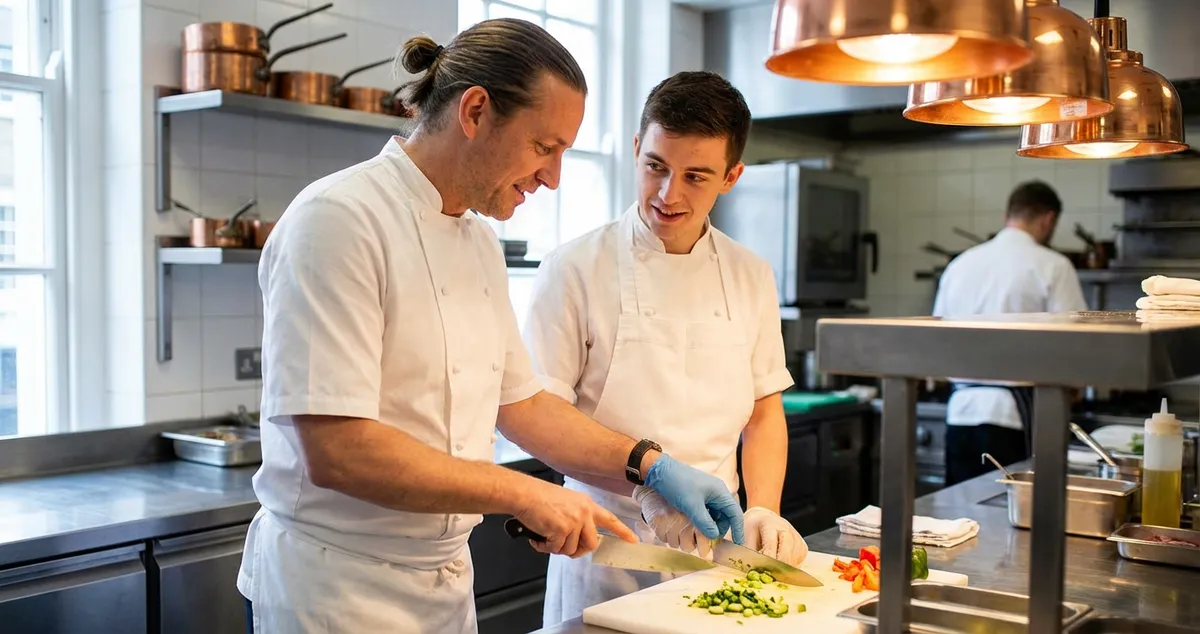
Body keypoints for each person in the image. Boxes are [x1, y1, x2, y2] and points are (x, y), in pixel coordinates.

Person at [236, 21, 746, 634]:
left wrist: (648, 464)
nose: (553, 176)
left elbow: (522, 404)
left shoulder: (478, 241)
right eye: (544, 146)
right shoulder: (338, 221)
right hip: (335, 589)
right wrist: (524, 493)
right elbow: (338, 451)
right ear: (475, 110)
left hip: (445, 584)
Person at [525, 71, 807, 626]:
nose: (668, 194)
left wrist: (764, 508)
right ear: (636, 148)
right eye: (655, 166)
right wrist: (647, 488)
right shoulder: (574, 268)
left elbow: (763, 411)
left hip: (718, 554)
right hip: (608, 549)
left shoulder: (750, 274)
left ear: (731, 177)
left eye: (695, 176)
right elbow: (541, 420)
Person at [932, 180, 1087, 485]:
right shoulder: (1054, 265)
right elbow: (1075, 342)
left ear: (1008, 216)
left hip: (960, 411)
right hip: (1013, 417)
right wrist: (1076, 386)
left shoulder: (959, 265)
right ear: (1048, 219)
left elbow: (937, 338)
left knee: (958, 507)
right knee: (1013, 507)